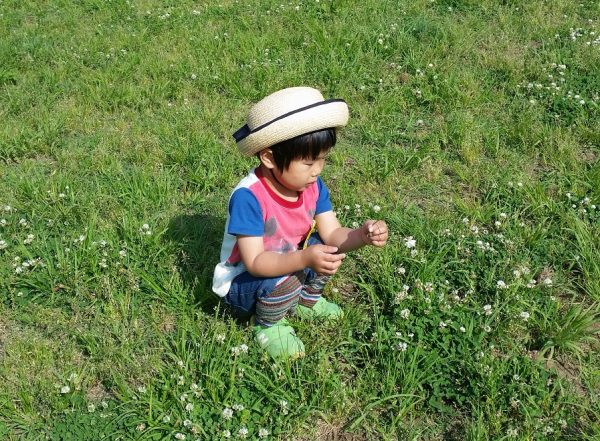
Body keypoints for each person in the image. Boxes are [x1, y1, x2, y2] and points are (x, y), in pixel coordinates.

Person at [212, 86, 388, 359]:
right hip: (245, 286)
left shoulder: (313, 187)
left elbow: (333, 234)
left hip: (287, 262)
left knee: (327, 249)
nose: (317, 170)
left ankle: (306, 301)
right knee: (288, 272)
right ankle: (267, 324)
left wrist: (361, 236)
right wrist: (305, 258)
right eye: (308, 163)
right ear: (269, 158)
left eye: (322, 160)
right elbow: (256, 263)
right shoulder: (249, 197)